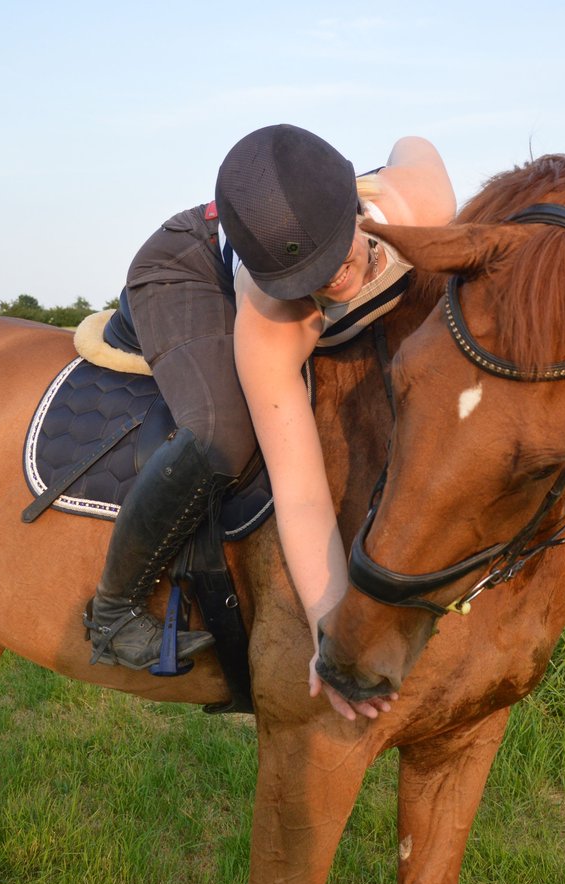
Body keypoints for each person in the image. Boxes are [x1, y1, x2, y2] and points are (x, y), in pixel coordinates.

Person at [85, 124, 456, 722]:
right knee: (219, 436)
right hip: (186, 261)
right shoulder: (272, 313)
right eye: (304, 281)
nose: (327, 283)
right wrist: (331, 637)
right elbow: (301, 493)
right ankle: (113, 607)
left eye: (336, 257)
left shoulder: (424, 205)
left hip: (311, 216)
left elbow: (415, 144)